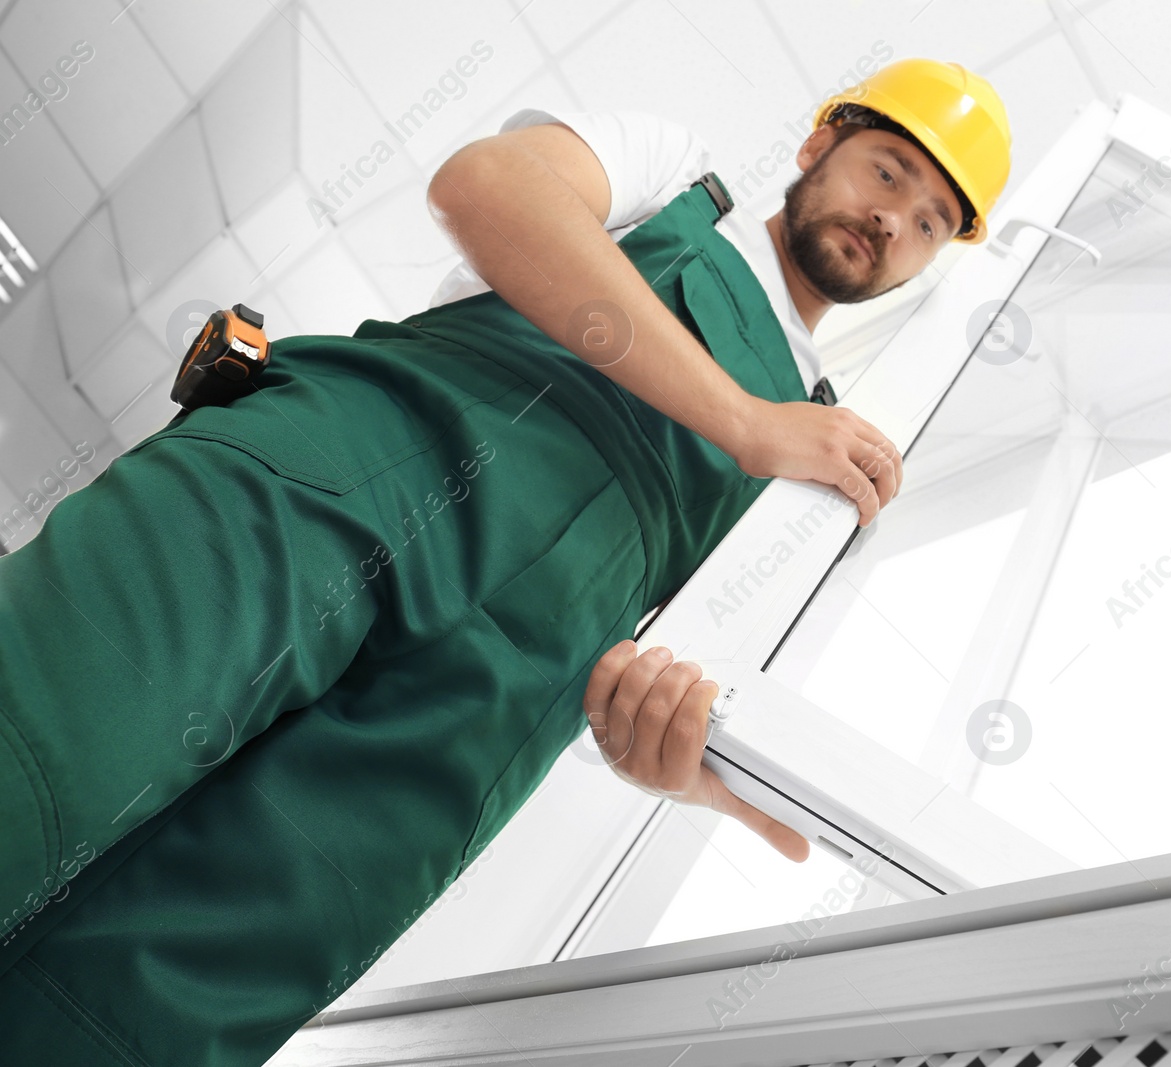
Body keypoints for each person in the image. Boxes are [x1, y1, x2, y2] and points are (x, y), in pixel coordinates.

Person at [0, 57, 1010, 1066]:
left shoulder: (816, 460)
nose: (892, 222)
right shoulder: (674, 177)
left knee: (150, 1005)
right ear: (816, 143)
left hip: (485, 709)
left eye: (927, 222)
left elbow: (677, 658)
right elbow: (487, 187)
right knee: (54, 732)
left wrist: (669, 752)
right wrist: (743, 420)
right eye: (887, 173)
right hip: (350, 471)